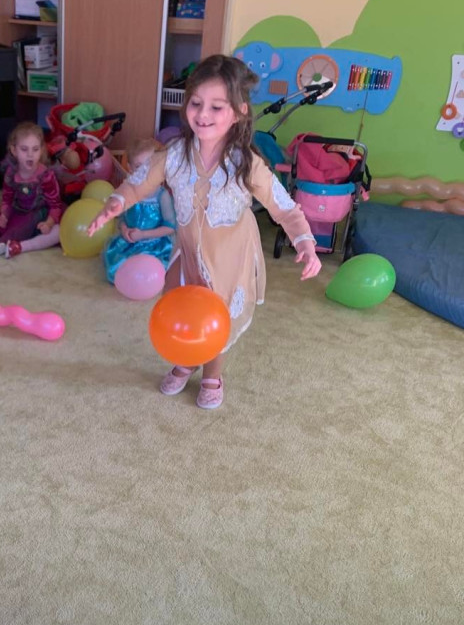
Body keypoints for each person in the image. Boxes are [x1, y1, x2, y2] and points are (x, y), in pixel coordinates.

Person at [88, 54, 322, 409]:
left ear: (239, 112)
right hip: (188, 253)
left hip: (228, 259)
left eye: (216, 106)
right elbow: (138, 182)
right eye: (196, 103)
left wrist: (304, 242)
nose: (203, 114)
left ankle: (213, 373)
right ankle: (186, 360)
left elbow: (284, 207)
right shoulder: (175, 154)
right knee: (184, 309)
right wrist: (115, 203)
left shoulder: (246, 163)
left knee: (217, 316)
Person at [0, 122, 64, 260]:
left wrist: (49, 223)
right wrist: (4, 215)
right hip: (17, 212)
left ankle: (19, 246)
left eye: (35, 149)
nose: (30, 155)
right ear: (14, 150)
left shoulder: (45, 175)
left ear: (41, 150)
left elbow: (55, 205)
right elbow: (7, 199)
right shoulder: (11, 173)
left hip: (40, 215)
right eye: (24, 149)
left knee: (59, 232)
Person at [102, 138, 175, 285]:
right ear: (130, 168)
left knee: (154, 272)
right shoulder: (127, 192)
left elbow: (170, 227)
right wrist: (124, 230)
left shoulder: (162, 195)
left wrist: (143, 235)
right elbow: (122, 218)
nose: (146, 172)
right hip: (130, 242)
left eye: (150, 166)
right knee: (118, 268)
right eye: (139, 167)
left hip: (155, 244)